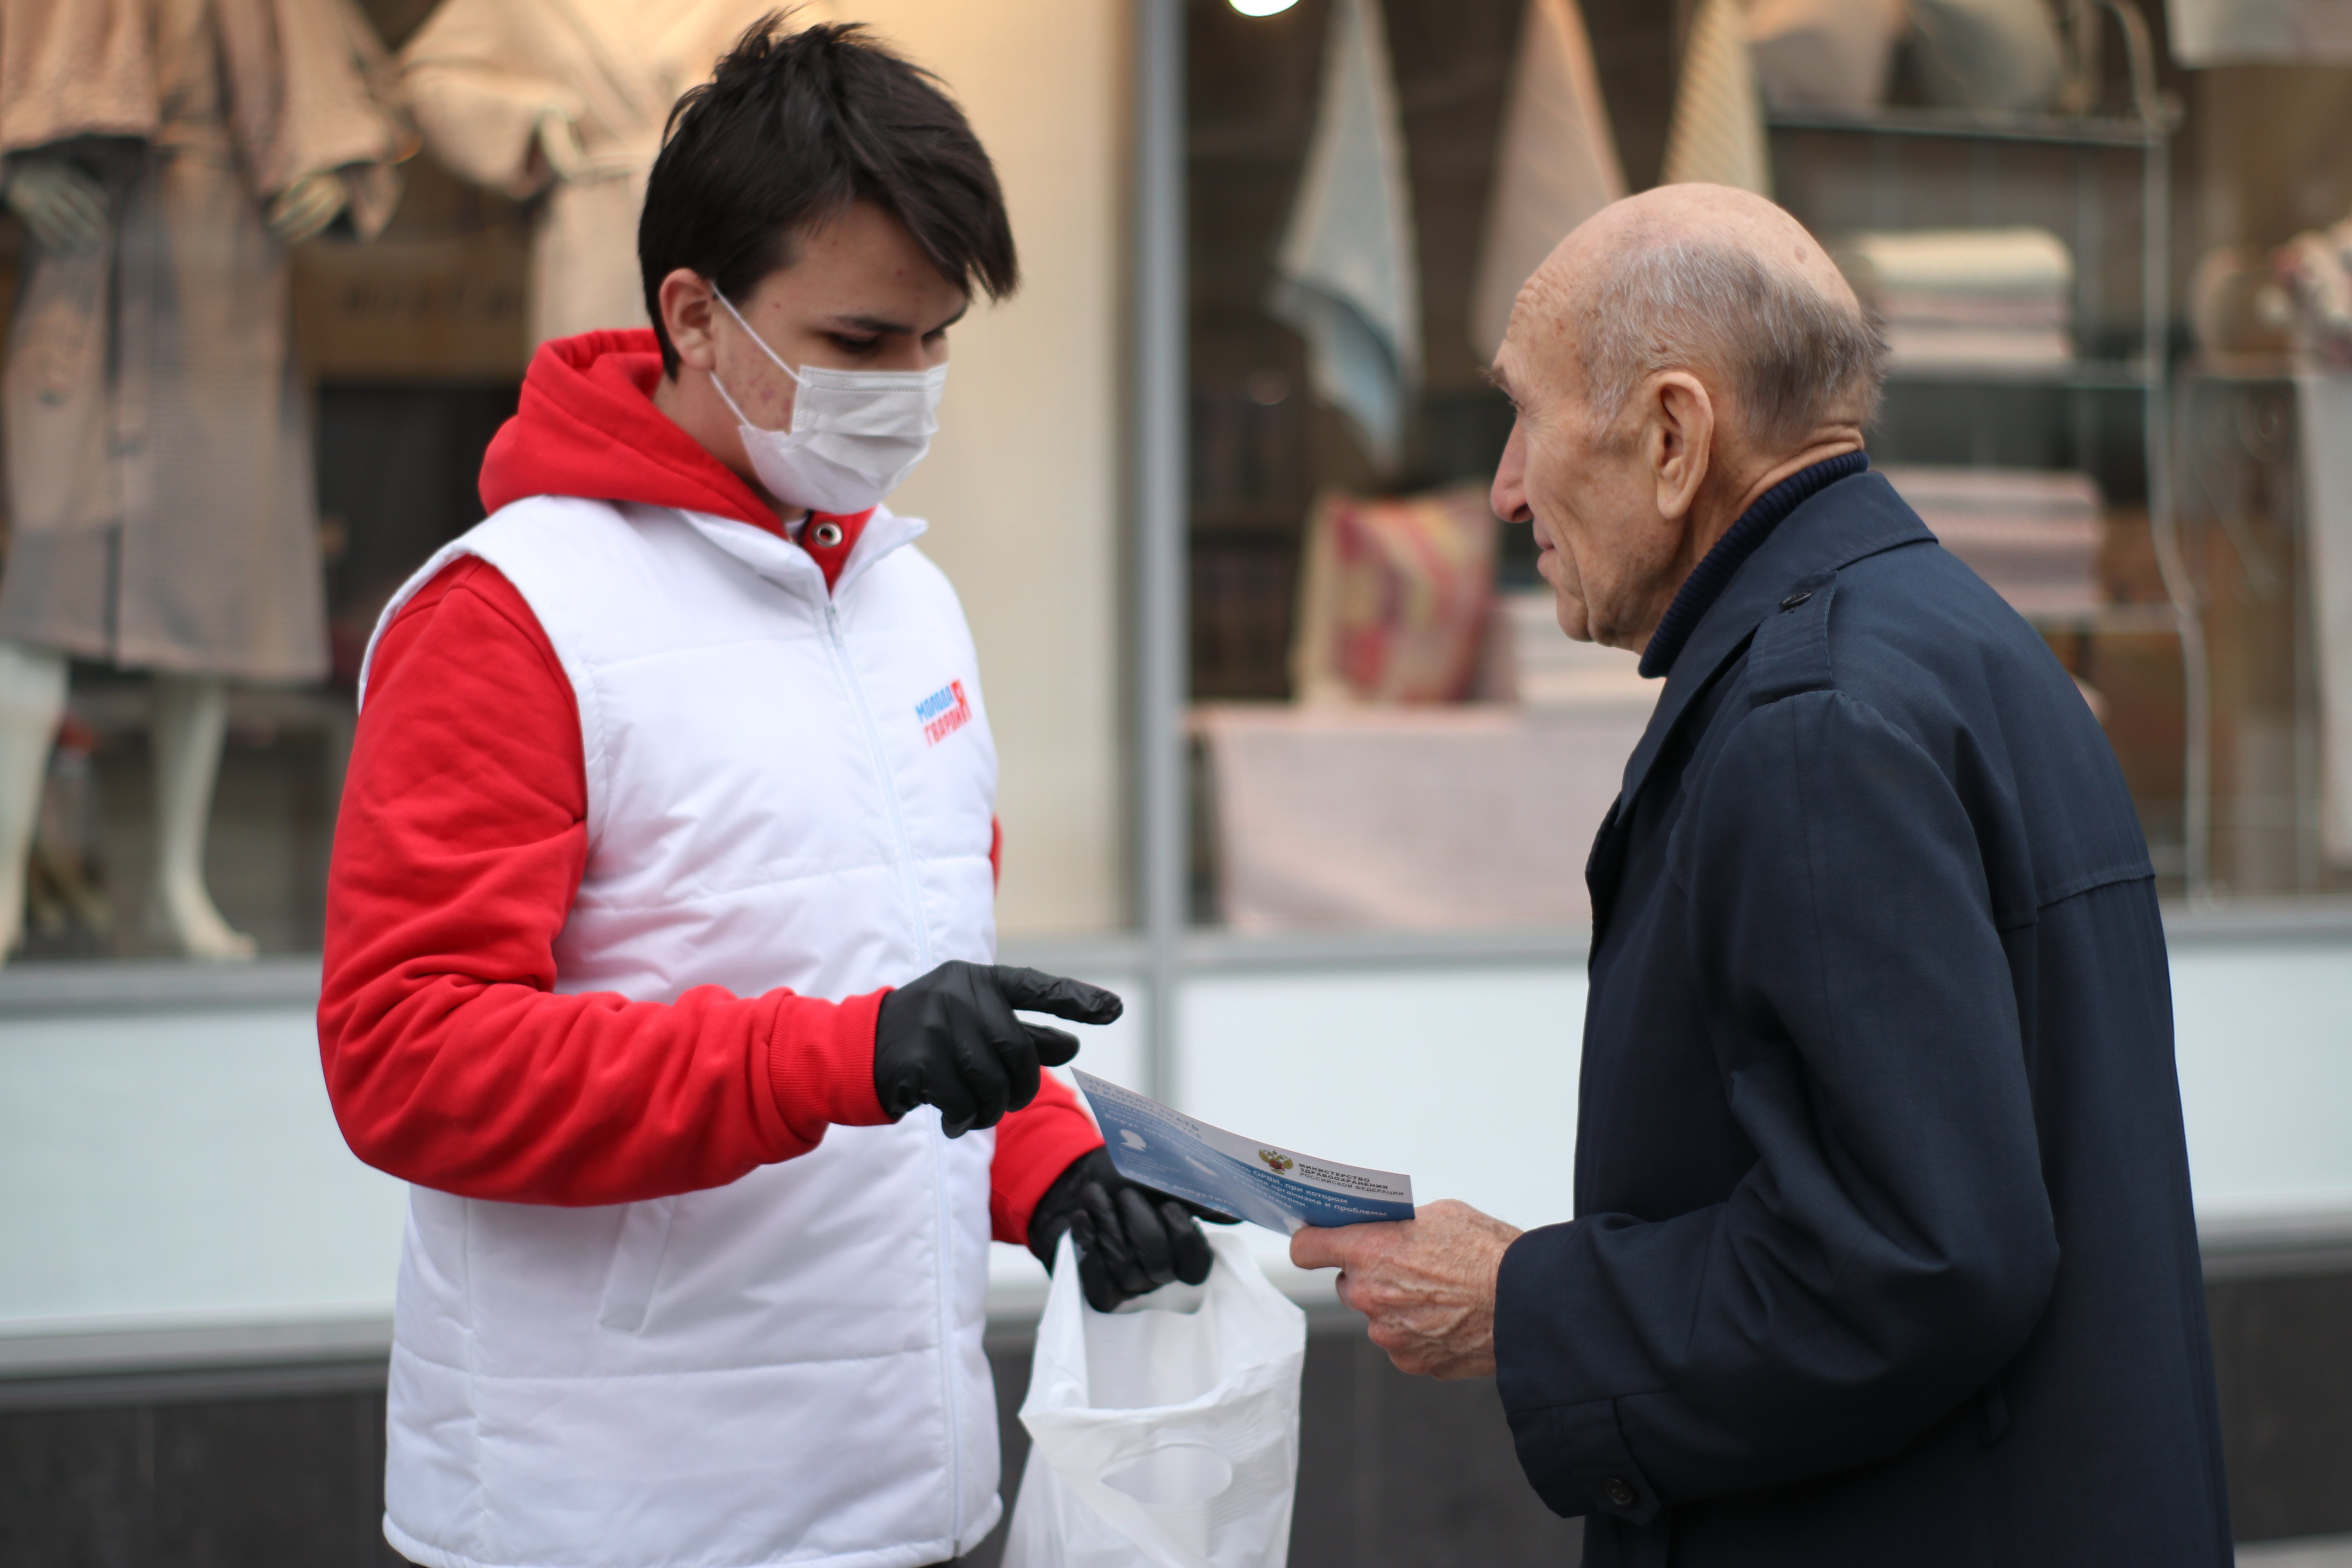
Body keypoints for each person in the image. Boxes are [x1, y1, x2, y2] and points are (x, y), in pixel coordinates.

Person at [318, 22, 1214, 1568]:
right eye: (864, 342)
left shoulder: (903, 600)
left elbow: (910, 1020)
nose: (913, 386)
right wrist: (848, 1055)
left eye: (940, 338)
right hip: (610, 1509)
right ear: (694, 314)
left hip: (905, 1491)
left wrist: (1050, 1167)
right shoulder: (515, 614)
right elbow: (408, 1059)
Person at [1291, 184, 2233, 1566]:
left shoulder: (1818, 718)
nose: (1503, 487)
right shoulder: (1953, 640)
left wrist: (1524, 1303)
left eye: (1527, 417)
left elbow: (1915, 1254)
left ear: (1675, 435)